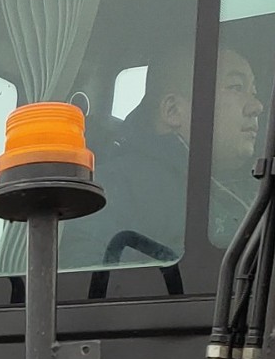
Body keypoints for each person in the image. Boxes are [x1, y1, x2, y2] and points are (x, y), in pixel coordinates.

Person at [62, 44, 264, 269]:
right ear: (173, 111)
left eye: (254, 92)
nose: (257, 106)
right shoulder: (114, 188)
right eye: (236, 87)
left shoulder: (259, 188)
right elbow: (84, 282)